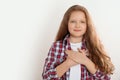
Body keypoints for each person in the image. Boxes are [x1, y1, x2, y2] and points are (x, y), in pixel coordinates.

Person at [42, 5, 114, 80]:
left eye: (82, 22)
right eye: (73, 21)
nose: (77, 25)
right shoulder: (56, 46)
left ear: (87, 25)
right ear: (67, 24)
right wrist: (68, 63)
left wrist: (85, 60)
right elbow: (46, 77)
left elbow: (106, 77)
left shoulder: (94, 46)